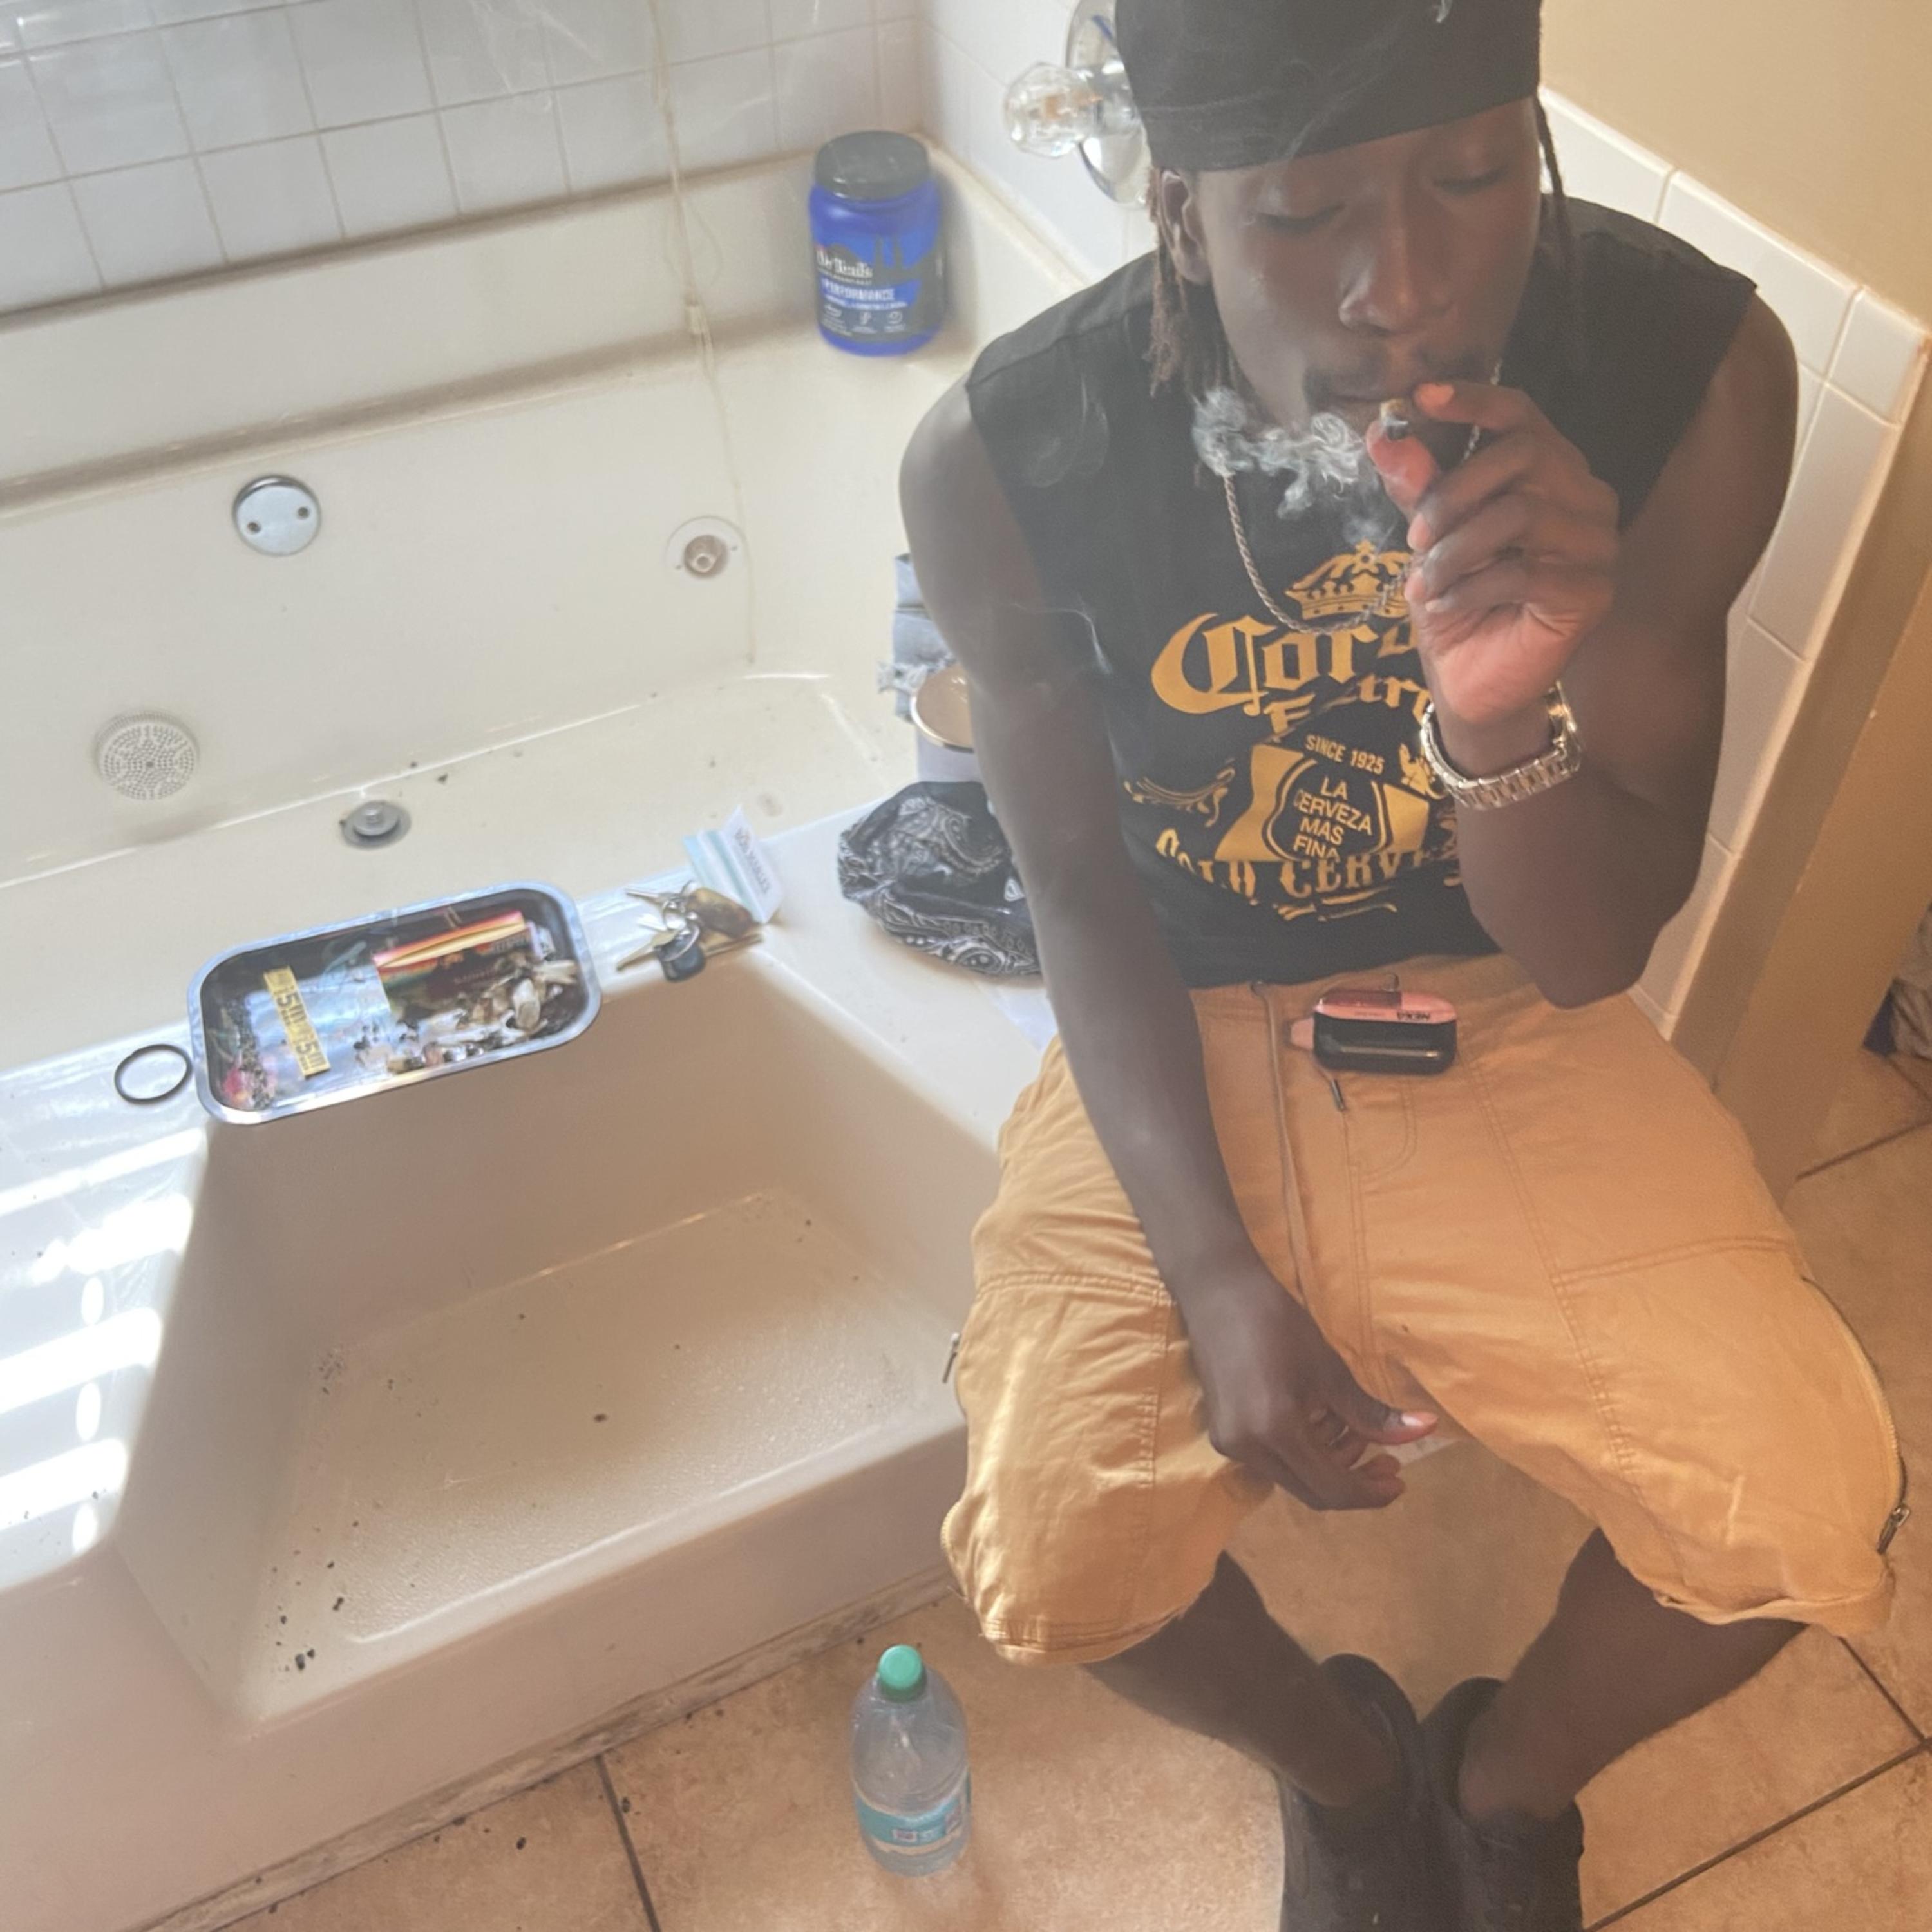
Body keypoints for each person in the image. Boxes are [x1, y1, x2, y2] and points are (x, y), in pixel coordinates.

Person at [898, 2, 1908, 1927]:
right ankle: (1351, 1776)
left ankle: (1502, 1789)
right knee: (1051, 1559)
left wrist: (1500, 703)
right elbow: (1082, 896)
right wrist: (1210, 1271)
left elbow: (1591, 948)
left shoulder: (1685, 376)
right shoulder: (1009, 458)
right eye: (1306, 215)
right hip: (1190, 1004)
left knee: (1806, 1512)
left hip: (1508, 1002)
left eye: (1472, 175)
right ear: (1183, 208)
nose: (1412, 288)